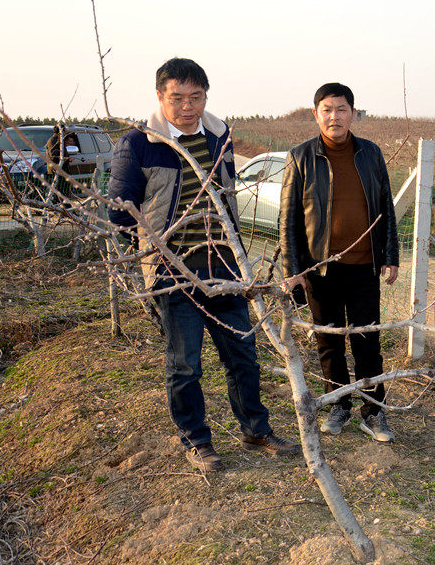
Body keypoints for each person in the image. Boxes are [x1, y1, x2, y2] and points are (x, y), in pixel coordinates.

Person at [107, 57, 299, 472]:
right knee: (185, 364)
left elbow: (227, 195)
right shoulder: (139, 143)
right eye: (177, 98)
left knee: (242, 355)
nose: (187, 107)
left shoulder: (219, 136)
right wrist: (153, 252)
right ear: (160, 96)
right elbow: (120, 212)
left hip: (224, 265)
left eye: (196, 97)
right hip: (172, 270)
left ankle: (256, 429)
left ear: (206, 97)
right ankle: (197, 441)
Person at [279, 82, 399, 444]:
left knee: (367, 342)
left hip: (364, 266)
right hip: (321, 269)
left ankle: (373, 412)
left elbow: (386, 208)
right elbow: (289, 219)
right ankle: (338, 404)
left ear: (353, 114)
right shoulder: (301, 157)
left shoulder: (370, 153)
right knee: (328, 343)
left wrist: (390, 256)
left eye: (342, 109)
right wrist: (292, 270)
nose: (335, 117)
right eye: (327, 110)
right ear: (316, 114)